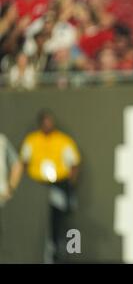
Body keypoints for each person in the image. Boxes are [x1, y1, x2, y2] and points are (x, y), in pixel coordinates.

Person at [20, 109, 81, 263]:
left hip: (59, 186)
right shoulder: (32, 140)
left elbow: (74, 164)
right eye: (45, 122)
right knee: (39, 223)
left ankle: (59, 251)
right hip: (36, 187)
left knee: (60, 221)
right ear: (40, 123)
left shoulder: (63, 140)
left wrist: (69, 185)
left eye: (50, 121)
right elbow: (23, 163)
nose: (48, 124)